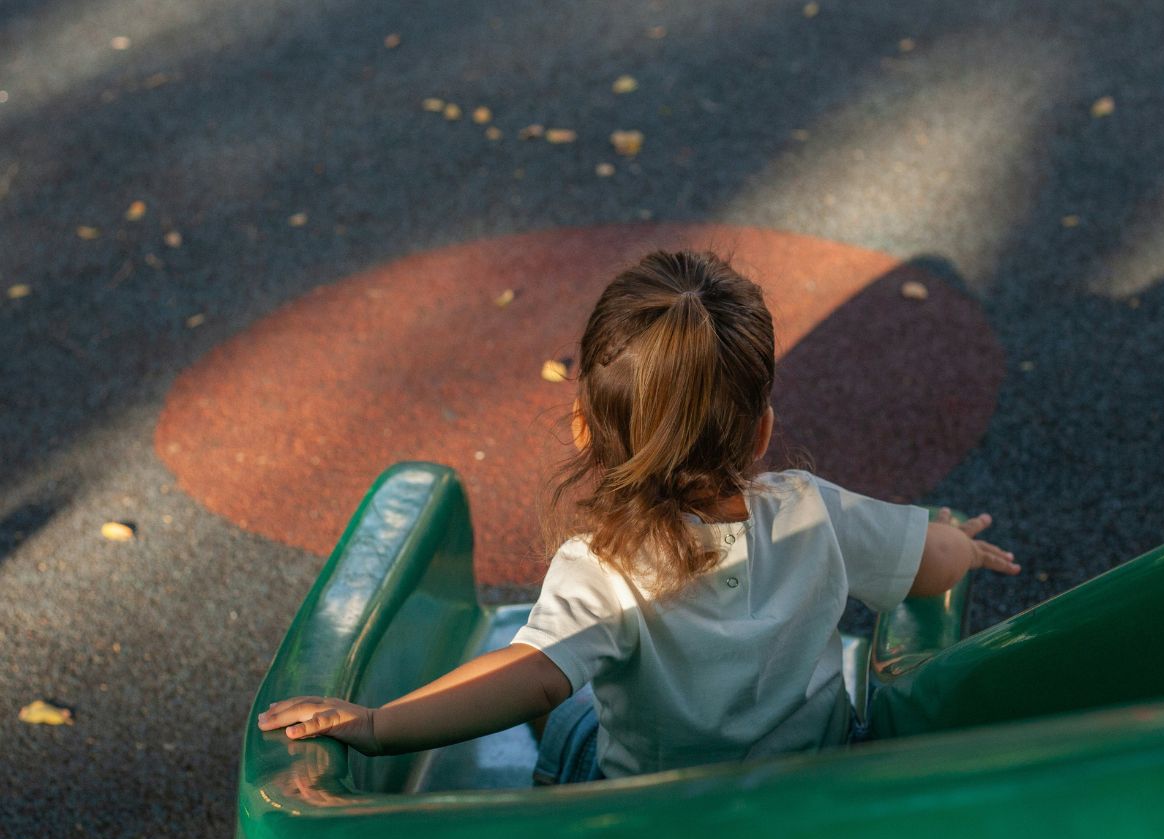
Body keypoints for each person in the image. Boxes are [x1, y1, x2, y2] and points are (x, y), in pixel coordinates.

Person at [257, 249, 1020, 782]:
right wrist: (958, 542)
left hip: (650, 818)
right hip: (806, 792)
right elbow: (931, 566)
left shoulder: (604, 568)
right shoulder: (811, 511)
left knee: (566, 716)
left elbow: (529, 678)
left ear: (585, 429)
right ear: (761, 430)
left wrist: (378, 724)